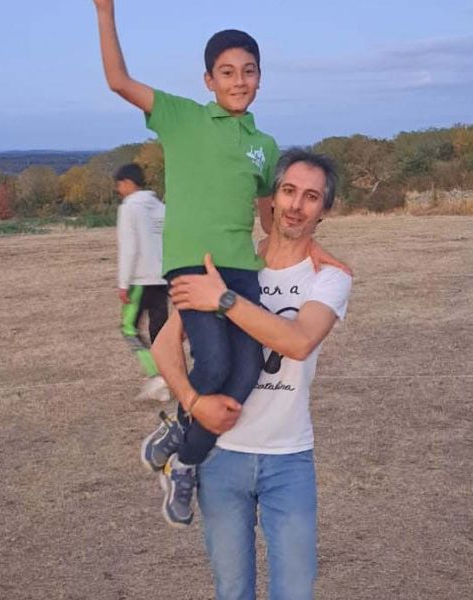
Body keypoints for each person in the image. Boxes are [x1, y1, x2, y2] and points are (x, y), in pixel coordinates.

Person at [93, 0, 347, 525]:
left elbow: (272, 217)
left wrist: (311, 245)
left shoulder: (264, 145)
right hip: (193, 267)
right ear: (208, 80)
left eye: (248, 71)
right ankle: (185, 457)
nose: (239, 81)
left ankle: (179, 445)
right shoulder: (181, 117)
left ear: (260, 78)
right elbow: (118, 80)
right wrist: (104, 11)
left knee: (248, 369)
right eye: (227, 72)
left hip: (240, 271)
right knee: (212, 365)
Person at [152, 149, 353, 599]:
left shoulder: (330, 277)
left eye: (311, 197)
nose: (296, 205)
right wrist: (192, 401)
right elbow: (165, 346)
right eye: (288, 191)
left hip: (289, 458)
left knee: (295, 590)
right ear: (270, 198)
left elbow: (299, 341)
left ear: (324, 209)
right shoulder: (229, 266)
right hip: (222, 456)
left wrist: (223, 300)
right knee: (232, 590)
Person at [114, 163, 169, 402]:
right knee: (160, 333)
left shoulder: (129, 208)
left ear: (128, 182)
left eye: (119, 184)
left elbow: (129, 248)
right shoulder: (161, 208)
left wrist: (123, 283)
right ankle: (169, 377)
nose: (118, 190)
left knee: (129, 329)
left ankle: (157, 375)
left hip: (139, 280)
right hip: (162, 278)